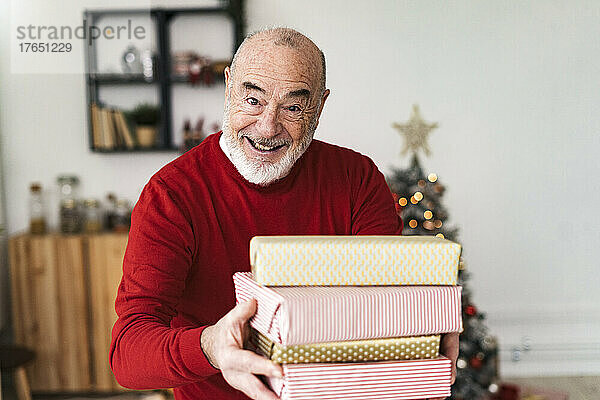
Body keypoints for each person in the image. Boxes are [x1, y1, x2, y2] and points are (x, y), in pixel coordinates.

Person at [110, 27, 458, 400]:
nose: (267, 127)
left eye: (293, 107)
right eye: (252, 99)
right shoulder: (172, 195)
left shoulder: (357, 179)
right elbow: (128, 354)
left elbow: (384, 307)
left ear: (319, 107)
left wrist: (428, 325)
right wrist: (212, 345)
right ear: (228, 87)